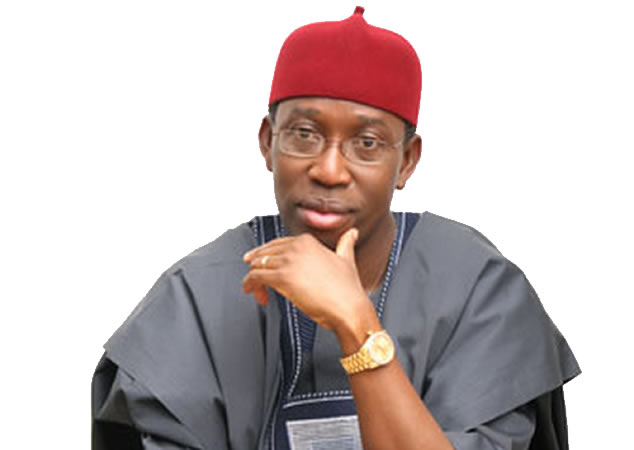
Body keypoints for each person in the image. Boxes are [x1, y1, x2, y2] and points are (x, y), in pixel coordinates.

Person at [91, 7, 580, 450]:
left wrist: (356, 325)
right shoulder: (192, 302)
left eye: (367, 143)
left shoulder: (477, 292)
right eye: (304, 135)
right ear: (267, 142)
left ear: (407, 161)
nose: (329, 170)